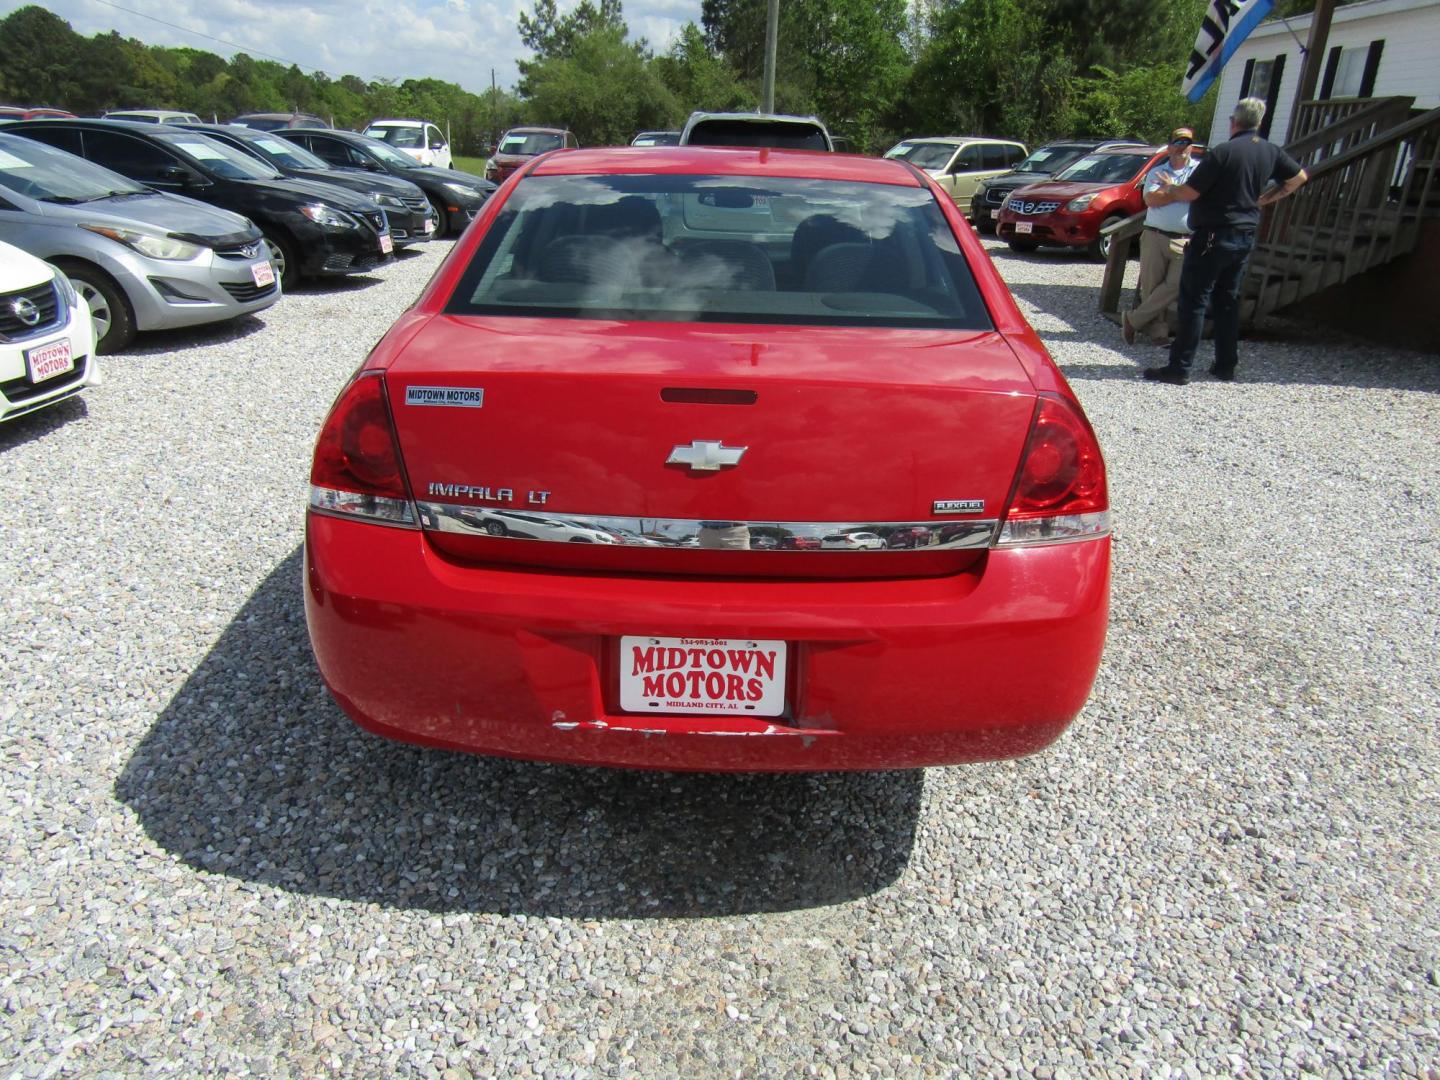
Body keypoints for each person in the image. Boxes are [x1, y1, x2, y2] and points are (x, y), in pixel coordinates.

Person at [1141, 97, 1308, 384]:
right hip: (1244, 235)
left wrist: (1171, 187)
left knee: (1194, 300)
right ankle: (1226, 364)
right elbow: (1298, 178)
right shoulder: (1269, 151)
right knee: (1227, 301)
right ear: (1259, 122)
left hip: (1213, 235)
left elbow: (1190, 193)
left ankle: (1179, 367)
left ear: (1234, 121)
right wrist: (1263, 200)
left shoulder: (1224, 152)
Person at [1123, 127, 1199, 347]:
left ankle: (1132, 319)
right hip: (1155, 235)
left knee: (1176, 284)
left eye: (1186, 142)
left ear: (1192, 146)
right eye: (1178, 141)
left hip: (1185, 237)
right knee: (1151, 285)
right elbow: (1152, 200)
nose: (1182, 146)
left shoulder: (1199, 171)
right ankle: (1158, 333)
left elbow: (1196, 195)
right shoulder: (1157, 171)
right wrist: (1180, 193)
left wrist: (1171, 189)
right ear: (1170, 145)